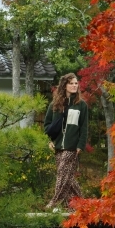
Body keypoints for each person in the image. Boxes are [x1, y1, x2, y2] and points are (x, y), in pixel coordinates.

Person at [44, 73, 88, 209]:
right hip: (57, 146)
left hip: (72, 146)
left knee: (62, 173)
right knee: (67, 177)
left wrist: (80, 145)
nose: (75, 85)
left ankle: (53, 203)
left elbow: (84, 127)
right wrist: (48, 141)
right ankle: (79, 205)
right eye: (71, 83)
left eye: (76, 83)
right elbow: (46, 125)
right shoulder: (55, 105)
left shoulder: (81, 105)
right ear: (65, 85)